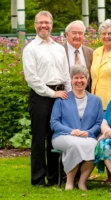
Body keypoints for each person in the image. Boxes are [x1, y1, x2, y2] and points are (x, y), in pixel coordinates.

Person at [22, 11, 71, 186]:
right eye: (40, 23)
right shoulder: (30, 49)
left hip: (61, 95)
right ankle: (38, 178)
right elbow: (32, 78)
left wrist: (69, 95)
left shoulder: (59, 48)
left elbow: (66, 74)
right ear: (35, 25)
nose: (44, 26)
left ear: (52, 24)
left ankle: (54, 176)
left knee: (56, 137)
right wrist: (52, 93)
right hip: (41, 96)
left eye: (47, 23)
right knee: (39, 137)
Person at [51, 66, 103, 191]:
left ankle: (82, 182)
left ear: (87, 79)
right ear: (71, 80)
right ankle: (69, 182)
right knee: (74, 145)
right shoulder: (62, 98)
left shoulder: (96, 100)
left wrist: (88, 132)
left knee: (94, 146)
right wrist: (71, 131)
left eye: (82, 77)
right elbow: (54, 122)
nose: (79, 81)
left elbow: (98, 122)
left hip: (86, 136)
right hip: (63, 136)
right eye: (76, 78)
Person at [64, 20, 93, 92]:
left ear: (84, 35)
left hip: (86, 95)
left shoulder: (90, 52)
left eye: (80, 33)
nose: (77, 36)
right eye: (74, 33)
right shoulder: (59, 51)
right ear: (67, 34)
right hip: (65, 96)